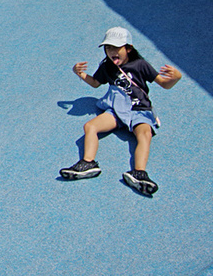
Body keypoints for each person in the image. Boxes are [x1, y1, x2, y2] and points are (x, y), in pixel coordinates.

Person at [60, 26, 182, 195]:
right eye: (108, 48)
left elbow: (163, 83)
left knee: (144, 134)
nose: (111, 52)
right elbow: (96, 83)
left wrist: (176, 78)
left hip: (139, 109)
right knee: (90, 127)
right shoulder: (107, 67)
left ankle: (139, 173)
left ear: (128, 49)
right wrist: (80, 74)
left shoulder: (140, 65)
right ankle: (88, 164)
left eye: (116, 47)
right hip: (116, 110)